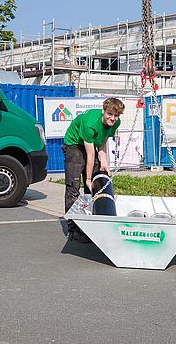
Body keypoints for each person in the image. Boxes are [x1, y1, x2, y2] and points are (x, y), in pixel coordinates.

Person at [62, 97, 125, 242]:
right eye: (110, 114)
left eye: (116, 116)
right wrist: (88, 179)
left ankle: (90, 223)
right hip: (74, 145)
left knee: (94, 186)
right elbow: (90, 154)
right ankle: (73, 229)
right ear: (103, 111)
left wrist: (104, 163)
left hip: (90, 146)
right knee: (74, 187)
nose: (113, 118)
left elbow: (102, 145)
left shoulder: (115, 123)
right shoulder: (90, 123)